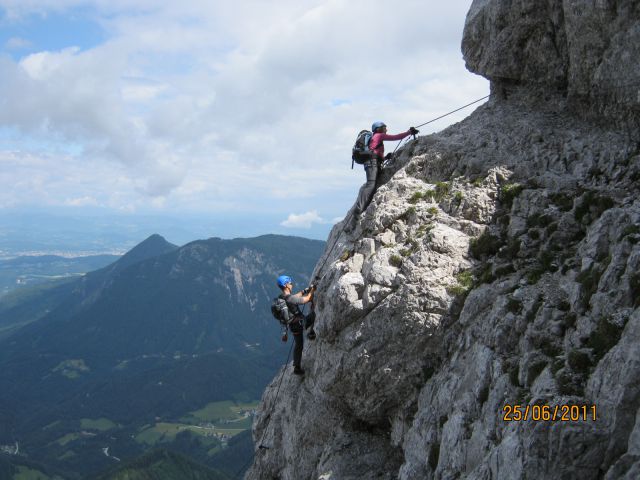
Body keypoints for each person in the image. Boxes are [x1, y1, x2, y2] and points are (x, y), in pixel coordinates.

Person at [353, 121, 419, 216]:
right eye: (384, 128)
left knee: (372, 184)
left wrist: (385, 158)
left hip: (371, 162)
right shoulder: (379, 135)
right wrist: (409, 132)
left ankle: (362, 207)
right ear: (379, 129)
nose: (386, 129)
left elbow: (374, 152)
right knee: (371, 184)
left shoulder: (375, 138)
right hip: (372, 163)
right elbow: (396, 137)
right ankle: (358, 210)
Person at [276, 275, 316, 375]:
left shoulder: (282, 297)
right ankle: (311, 332)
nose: (292, 284)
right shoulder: (290, 299)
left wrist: (305, 290)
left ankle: (297, 367)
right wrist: (312, 290)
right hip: (300, 323)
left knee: (299, 345)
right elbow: (307, 299)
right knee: (314, 314)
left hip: (293, 327)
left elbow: (295, 297)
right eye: (290, 283)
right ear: (286, 285)